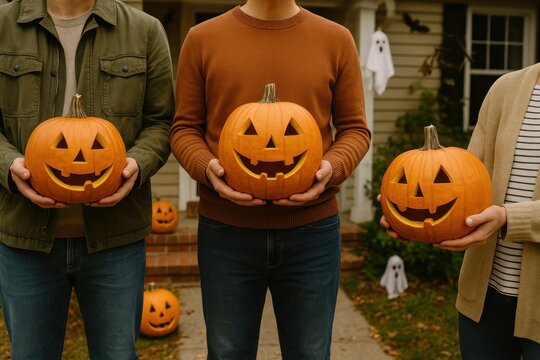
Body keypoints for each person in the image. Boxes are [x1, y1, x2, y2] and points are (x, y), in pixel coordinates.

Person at [170, 1, 370, 358]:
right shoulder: (202, 38)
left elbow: (355, 130)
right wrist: (207, 169)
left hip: (313, 234)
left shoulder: (336, 39)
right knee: (227, 351)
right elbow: (184, 128)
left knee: (310, 353)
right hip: (225, 232)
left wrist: (331, 168)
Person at [0, 0, 174, 358]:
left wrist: (135, 166)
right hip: (25, 240)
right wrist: (10, 164)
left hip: (115, 239)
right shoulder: (3, 25)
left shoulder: (144, 30)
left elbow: (161, 122)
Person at [380, 62, 540, 359]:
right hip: (485, 297)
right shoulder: (506, 89)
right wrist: (406, 213)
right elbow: (467, 180)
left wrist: (507, 218)